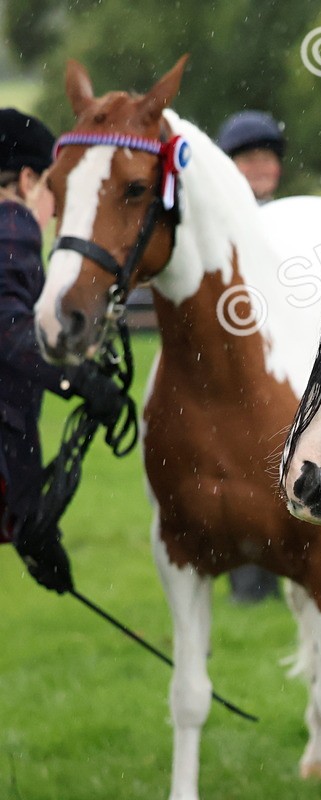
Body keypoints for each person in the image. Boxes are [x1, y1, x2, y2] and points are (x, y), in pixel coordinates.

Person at [1, 108, 125, 594]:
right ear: (30, 179)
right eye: (55, 192)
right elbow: (8, 332)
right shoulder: (12, 222)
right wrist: (80, 380)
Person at [216, 110, 287, 601]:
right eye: (249, 158)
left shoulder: (291, 218)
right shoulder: (223, 227)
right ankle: (247, 572)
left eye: (268, 156)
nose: (260, 167)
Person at [216, 110, 285, 203]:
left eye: (266, 159)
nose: (260, 167)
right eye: (248, 159)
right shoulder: (211, 215)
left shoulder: (292, 212)